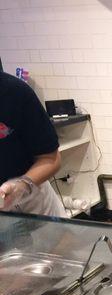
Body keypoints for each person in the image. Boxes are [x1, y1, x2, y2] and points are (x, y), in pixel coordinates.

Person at [0, 72, 66, 217]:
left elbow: (51, 159)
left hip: (30, 202)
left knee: (56, 239)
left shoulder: (13, 92)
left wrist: (22, 185)